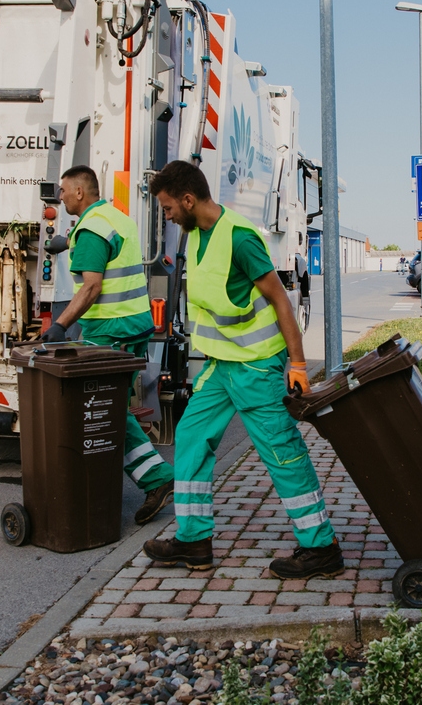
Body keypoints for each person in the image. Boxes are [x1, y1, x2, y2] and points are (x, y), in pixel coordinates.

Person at [142, 160, 343, 579]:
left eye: (167, 207)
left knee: (281, 454)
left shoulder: (239, 239)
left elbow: (281, 300)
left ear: (187, 199)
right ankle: (194, 538)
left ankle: (320, 546)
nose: (167, 215)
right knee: (191, 437)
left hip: (255, 368)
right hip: (221, 368)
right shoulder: (195, 236)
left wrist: (299, 364)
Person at [39, 166, 175, 525]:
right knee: (112, 408)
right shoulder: (115, 217)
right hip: (133, 324)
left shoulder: (90, 228)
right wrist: (69, 243)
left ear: (80, 192)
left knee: (105, 410)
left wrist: (60, 325)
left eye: (65, 191)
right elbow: (110, 250)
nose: (61, 197)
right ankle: (140, 477)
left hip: (108, 329)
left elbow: (91, 287)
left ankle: (157, 479)